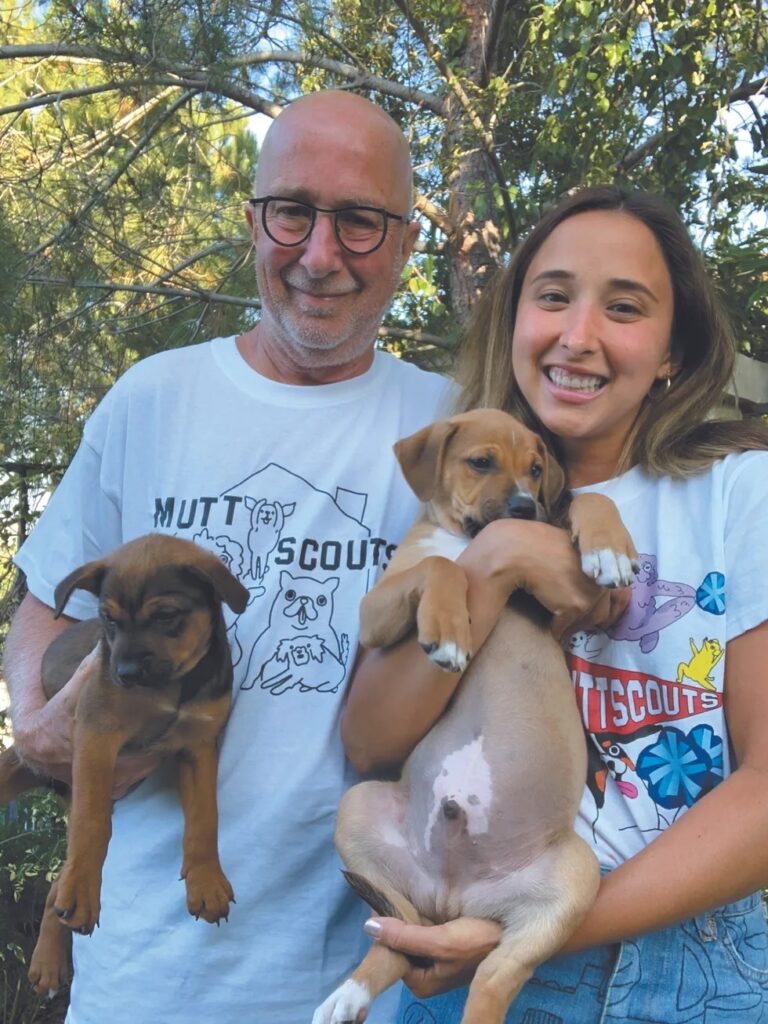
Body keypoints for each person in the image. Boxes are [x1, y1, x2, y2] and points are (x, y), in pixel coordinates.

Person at [4, 90, 453, 1024]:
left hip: (365, 975)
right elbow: (48, 598)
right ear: (253, 221)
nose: (320, 255)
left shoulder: (451, 425)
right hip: (144, 973)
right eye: (292, 211)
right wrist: (36, 718)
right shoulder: (154, 396)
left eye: (361, 221)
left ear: (407, 242)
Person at [341, 186, 768, 1023]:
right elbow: (367, 742)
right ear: (515, 322)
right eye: (553, 296)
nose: (579, 335)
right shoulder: (466, 504)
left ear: (674, 349)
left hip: (689, 964)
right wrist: (494, 564)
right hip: (462, 925)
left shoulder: (740, 494)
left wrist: (537, 930)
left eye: (624, 306)